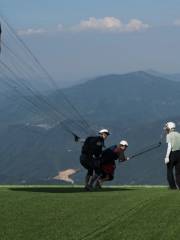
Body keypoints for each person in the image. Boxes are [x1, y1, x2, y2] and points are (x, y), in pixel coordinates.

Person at [164, 121, 180, 189]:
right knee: (178, 172)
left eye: (167, 128)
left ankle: (173, 186)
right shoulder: (179, 134)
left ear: (170, 128)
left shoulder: (168, 135)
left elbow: (169, 147)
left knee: (169, 170)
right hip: (179, 153)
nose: (166, 129)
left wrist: (167, 157)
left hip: (172, 154)